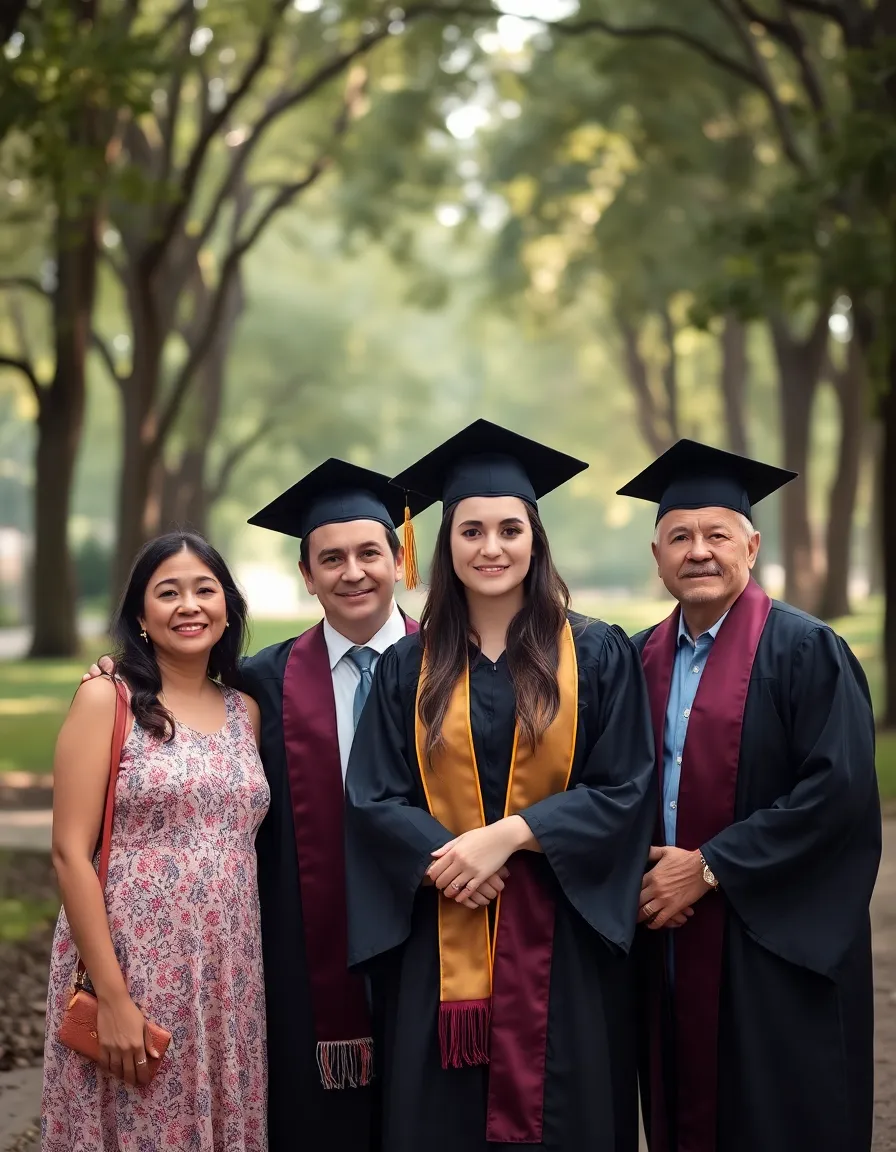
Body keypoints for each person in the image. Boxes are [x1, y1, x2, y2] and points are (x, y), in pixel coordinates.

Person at [84, 461, 426, 1152]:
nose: (353, 572)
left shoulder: (455, 666)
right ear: (307, 574)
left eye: (369, 553)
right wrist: (112, 674)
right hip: (299, 949)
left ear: (399, 558)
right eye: (331, 558)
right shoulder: (262, 683)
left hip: (431, 937)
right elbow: (179, 703)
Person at [344, 419, 657, 1152]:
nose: (491, 548)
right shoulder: (406, 668)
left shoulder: (598, 653)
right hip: (442, 935)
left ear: (536, 541)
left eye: (510, 530)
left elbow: (625, 786)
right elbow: (372, 797)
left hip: (564, 939)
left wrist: (509, 837)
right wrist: (449, 861)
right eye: (472, 530)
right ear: (444, 545)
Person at [617, 439, 882, 1152]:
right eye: (680, 537)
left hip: (768, 942)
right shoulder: (634, 660)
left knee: (776, 1114)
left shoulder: (806, 651)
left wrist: (710, 867)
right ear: (657, 553)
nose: (698, 552)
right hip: (666, 940)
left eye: (716, 535)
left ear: (752, 545)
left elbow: (839, 793)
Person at [44, 532, 268, 1152]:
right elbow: (69, 852)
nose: (189, 605)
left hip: (230, 976)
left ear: (228, 608)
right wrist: (113, 999)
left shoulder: (244, 710)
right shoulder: (107, 699)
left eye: (205, 589)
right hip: (135, 969)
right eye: (167, 592)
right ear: (141, 616)